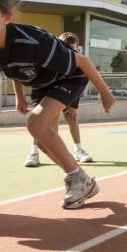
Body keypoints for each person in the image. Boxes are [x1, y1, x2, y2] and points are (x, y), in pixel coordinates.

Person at [0, 0, 115, 209]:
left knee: (36, 124)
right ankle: (84, 181)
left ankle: (75, 179)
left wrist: (105, 93)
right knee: (45, 140)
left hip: (69, 77)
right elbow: (13, 70)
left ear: (6, 17)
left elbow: (83, 61)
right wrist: (19, 97)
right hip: (42, 85)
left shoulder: (32, 42)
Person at [23, 32, 95, 167]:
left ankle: (78, 150)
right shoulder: (48, 60)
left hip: (69, 84)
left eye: (72, 48)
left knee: (71, 115)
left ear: (77, 49)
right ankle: (34, 152)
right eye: (65, 48)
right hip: (45, 85)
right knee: (40, 119)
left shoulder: (79, 65)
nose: (69, 51)